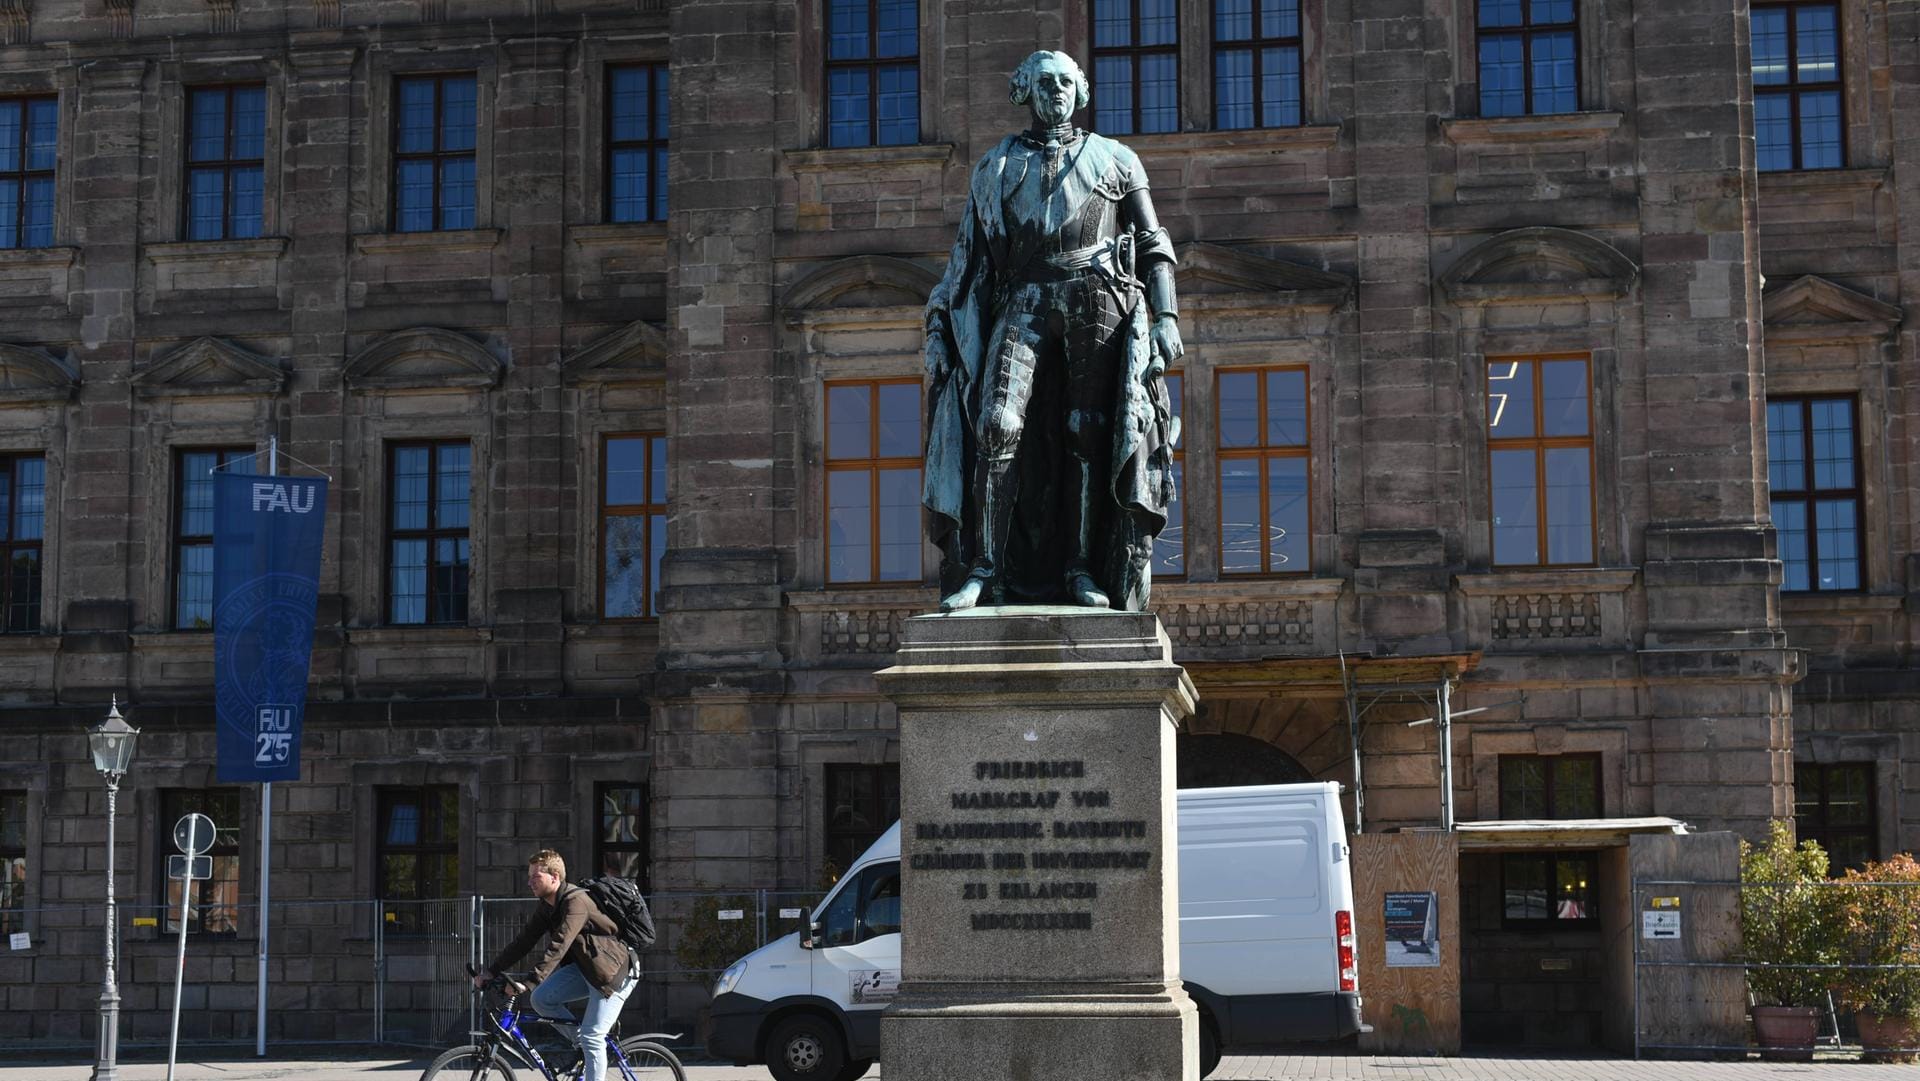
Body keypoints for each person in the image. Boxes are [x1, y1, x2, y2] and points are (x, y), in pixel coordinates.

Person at [923, 49, 1182, 614]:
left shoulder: (1116, 158)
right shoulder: (993, 168)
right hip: (1025, 297)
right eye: (1045, 81)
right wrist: (940, 329)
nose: (1057, 90)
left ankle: (1082, 569)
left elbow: (1154, 242)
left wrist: (1165, 318)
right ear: (1024, 91)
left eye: (1067, 81)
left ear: (1081, 90)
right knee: (997, 424)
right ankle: (985, 570)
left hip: (1097, 297)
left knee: (1087, 433)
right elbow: (968, 263)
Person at [474, 850, 636, 1081]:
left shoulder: (576, 902)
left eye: (535, 877)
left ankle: (589, 1044)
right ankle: (583, 1045)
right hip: (587, 969)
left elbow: (559, 945)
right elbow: (524, 941)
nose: (529, 882)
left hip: (614, 974)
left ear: (555, 877)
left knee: (593, 1036)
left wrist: (529, 981)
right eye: (529, 876)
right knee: (541, 999)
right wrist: (491, 971)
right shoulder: (547, 906)